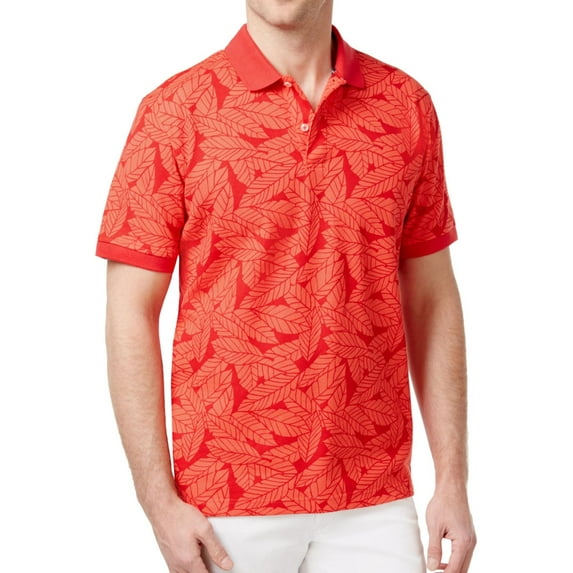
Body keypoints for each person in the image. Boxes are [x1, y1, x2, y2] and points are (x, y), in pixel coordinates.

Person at [96, 1, 476, 572]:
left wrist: (452, 480)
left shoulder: (405, 107)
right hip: (223, 504)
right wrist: (158, 501)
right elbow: (129, 310)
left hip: (375, 497)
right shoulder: (175, 112)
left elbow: (432, 299)